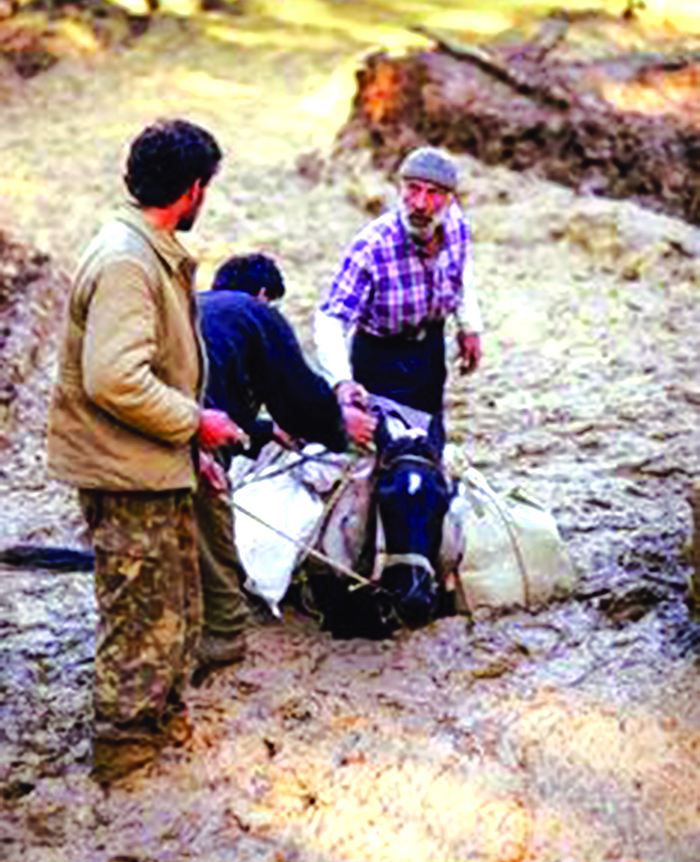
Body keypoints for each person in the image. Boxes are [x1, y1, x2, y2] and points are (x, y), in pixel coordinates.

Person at [47, 119, 245, 783]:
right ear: (192, 190)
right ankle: (125, 761)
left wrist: (191, 448)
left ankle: (160, 727)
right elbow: (114, 378)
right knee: (139, 621)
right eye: (206, 187)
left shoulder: (144, 249)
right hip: (125, 476)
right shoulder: (129, 263)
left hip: (153, 467)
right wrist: (196, 423)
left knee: (173, 611)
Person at [194, 253, 376, 665]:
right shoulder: (258, 315)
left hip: (151, 431)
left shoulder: (194, 309)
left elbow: (218, 405)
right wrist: (340, 425)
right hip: (192, 445)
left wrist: (266, 431)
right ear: (263, 295)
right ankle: (219, 647)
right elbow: (298, 395)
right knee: (215, 540)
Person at [314, 146, 483, 419]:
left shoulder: (456, 226)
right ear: (399, 189)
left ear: (449, 199)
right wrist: (342, 381)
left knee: (430, 430)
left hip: (431, 345)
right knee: (386, 440)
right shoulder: (371, 247)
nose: (420, 203)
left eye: (433, 193)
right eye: (413, 189)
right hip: (380, 356)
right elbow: (330, 319)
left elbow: (461, 270)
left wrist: (469, 326)